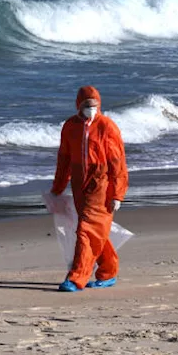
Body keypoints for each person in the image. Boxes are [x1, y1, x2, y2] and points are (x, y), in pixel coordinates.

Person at [50, 86, 128, 292]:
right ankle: (109, 271)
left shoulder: (107, 127)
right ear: (79, 105)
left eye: (94, 105)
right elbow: (64, 159)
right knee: (96, 231)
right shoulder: (70, 126)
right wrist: (57, 188)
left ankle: (76, 278)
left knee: (87, 231)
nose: (91, 109)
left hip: (101, 186)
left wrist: (118, 194)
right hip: (79, 185)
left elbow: (117, 162)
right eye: (87, 105)